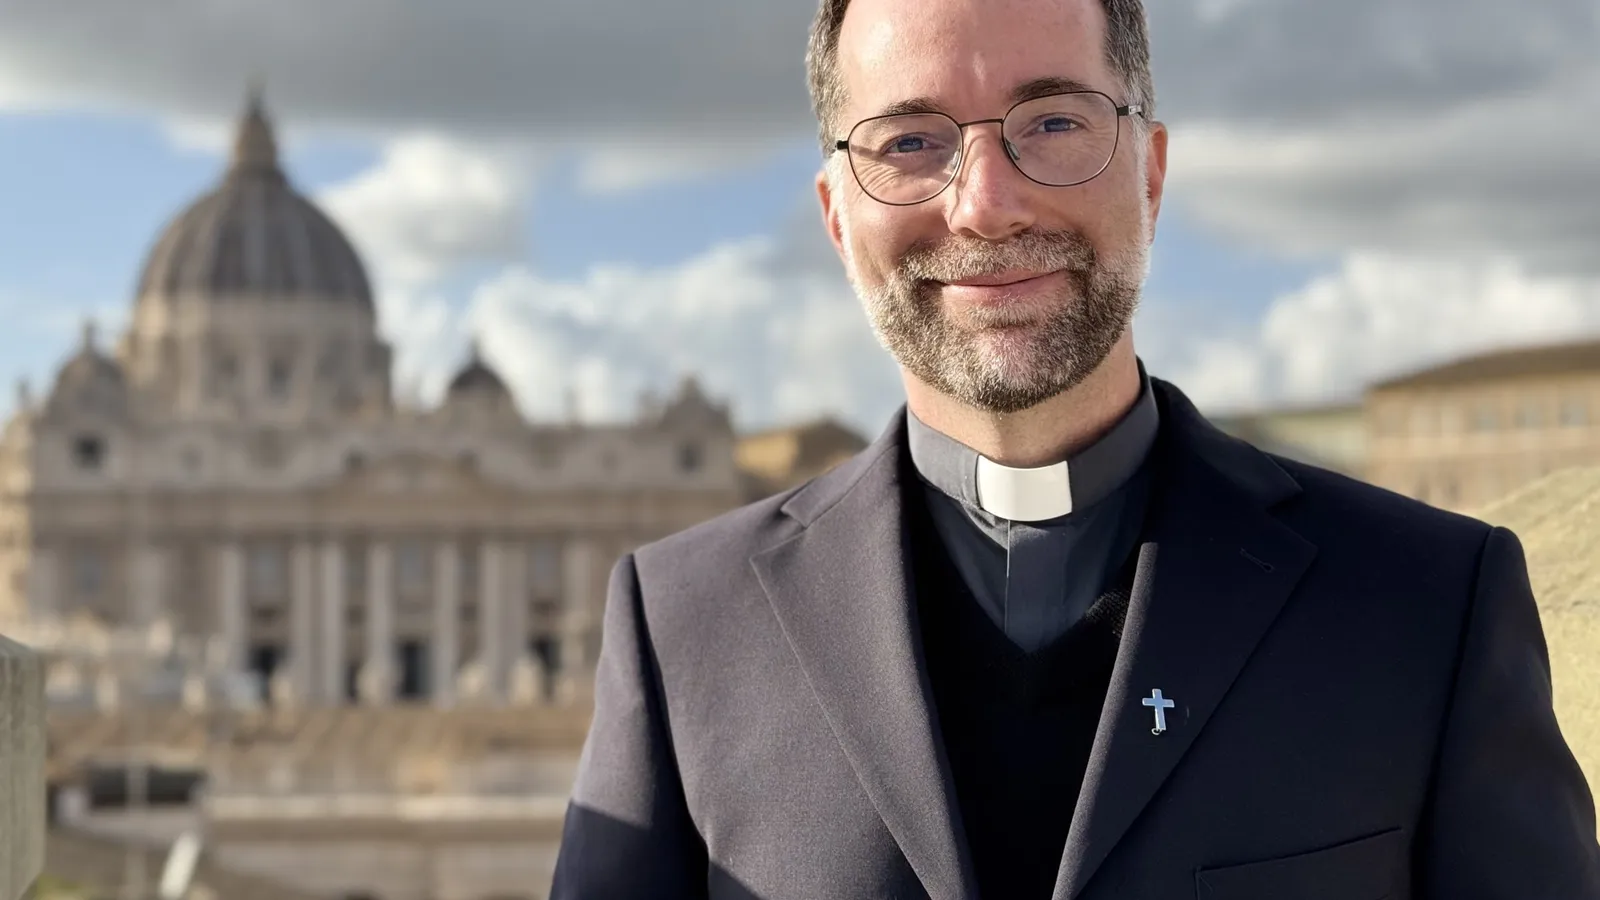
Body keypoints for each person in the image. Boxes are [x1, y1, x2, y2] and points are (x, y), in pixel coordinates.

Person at [551, 0, 1600, 895]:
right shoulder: (680, 625)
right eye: (908, 142)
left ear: (1151, 172)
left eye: (1052, 121)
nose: (985, 204)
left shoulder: (1428, 602)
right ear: (836, 216)